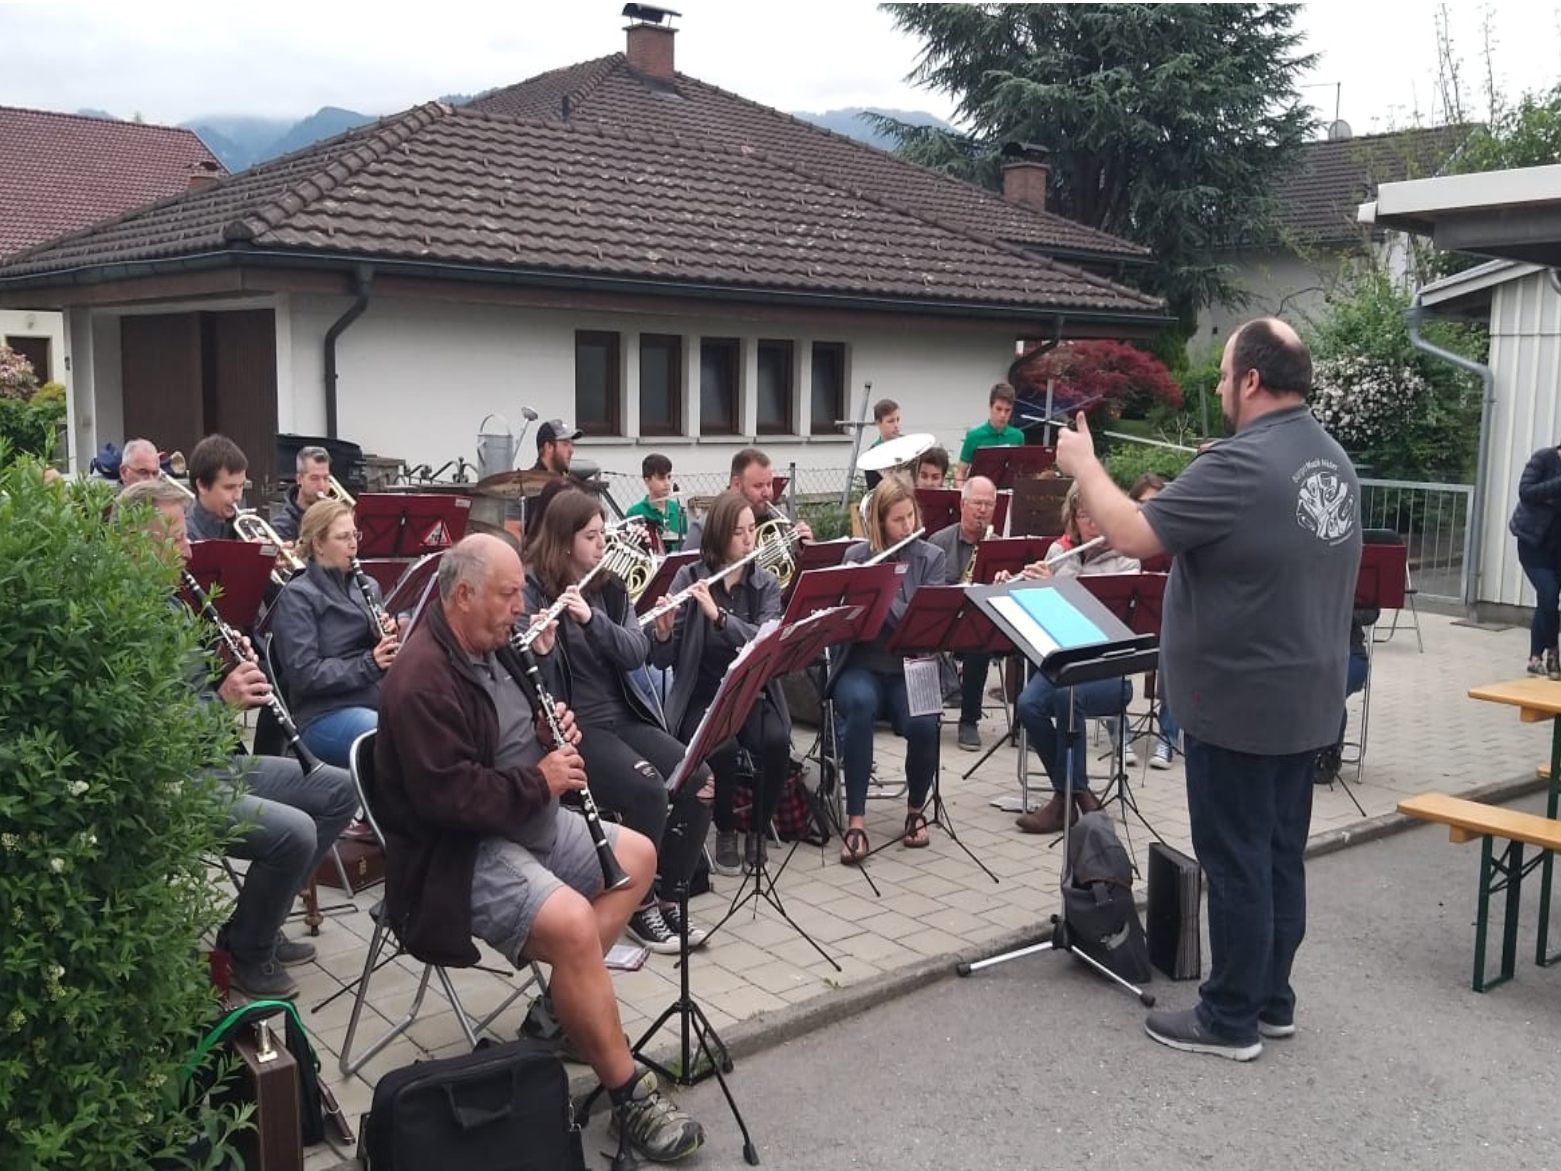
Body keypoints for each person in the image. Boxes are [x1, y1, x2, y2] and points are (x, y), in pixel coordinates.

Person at [1055, 316, 1361, 1062]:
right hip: (1306, 700)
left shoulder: (1240, 464)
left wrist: (1084, 467)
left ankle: (1228, 1017)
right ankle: (1271, 999)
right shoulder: (1331, 460)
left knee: (1234, 861)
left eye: (1224, 375)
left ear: (1252, 380)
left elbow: (1131, 533)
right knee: (1278, 854)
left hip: (1238, 703)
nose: (1220, 387)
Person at [374, 534, 705, 1163]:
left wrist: (546, 726)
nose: (520, 606)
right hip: (459, 853)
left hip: (524, 814)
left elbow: (509, 729)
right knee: (576, 926)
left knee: (637, 858)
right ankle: (627, 1094)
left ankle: (559, 1012)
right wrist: (542, 778)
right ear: (462, 596)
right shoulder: (420, 680)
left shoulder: (490, 647)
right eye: (508, 594)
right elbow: (451, 800)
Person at [117, 480, 357, 999]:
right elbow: (147, 729)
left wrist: (226, 660)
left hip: (213, 762)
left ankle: (255, 927)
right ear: (135, 543)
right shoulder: (123, 621)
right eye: (175, 538)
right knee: (295, 832)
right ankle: (248, 954)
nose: (187, 550)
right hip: (174, 782)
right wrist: (222, 701)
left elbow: (193, 686)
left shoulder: (172, 603)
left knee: (339, 790)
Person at [524, 489, 712, 954]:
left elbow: (636, 651)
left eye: (603, 534)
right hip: (576, 728)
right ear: (565, 541)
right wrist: (544, 646)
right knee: (649, 790)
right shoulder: (533, 591)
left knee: (700, 779)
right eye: (592, 536)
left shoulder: (609, 587)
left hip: (624, 718)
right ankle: (637, 904)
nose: (602, 544)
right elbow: (532, 680)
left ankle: (671, 894)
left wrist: (592, 620)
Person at [649, 492, 793, 876]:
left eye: (752, 531)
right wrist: (662, 634)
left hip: (750, 690)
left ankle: (757, 831)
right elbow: (664, 661)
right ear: (718, 536)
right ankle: (726, 828)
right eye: (739, 533)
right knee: (723, 749)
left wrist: (720, 618)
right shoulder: (690, 578)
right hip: (703, 693)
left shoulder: (763, 583)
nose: (749, 541)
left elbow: (766, 641)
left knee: (777, 742)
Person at [1008, 483, 1141, 833]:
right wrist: (1021, 587)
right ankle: (1076, 794)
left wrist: (1061, 588)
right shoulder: (1059, 551)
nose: (1093, 525)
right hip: (1063, 662)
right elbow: (1044, 623)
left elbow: (1109, 623)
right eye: (1085, 516)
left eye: (1099, 515)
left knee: (1069, 699)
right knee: (1027, 704)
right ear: (1073, 519)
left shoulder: (1127, 558)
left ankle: (1062, 802)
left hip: (1110, 669)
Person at [832, 477, 946, 864]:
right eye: (897, 520)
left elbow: (918, 621)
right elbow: (840, 621)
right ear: (879, 524)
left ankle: (915, 810)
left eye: (910, 516)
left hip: (911, 667)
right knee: (860, 705)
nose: (907, 527)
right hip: (861, 665)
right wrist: (860, 581)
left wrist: (880, 588)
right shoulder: (856, 556)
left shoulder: (931, 558)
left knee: (925, 722)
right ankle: (857, 821)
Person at [268, 499, 398, 768]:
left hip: (376, 699)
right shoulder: (298, 596)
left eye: (355, 535)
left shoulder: (369, 586)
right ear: (318, 545)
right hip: (323, 714)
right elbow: (305, 674)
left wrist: (382, 637)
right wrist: (370, 663)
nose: (353, 544)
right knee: (390, 740)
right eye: (343, 537)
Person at [927, 475, 998, 751]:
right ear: (962, 504)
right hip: (944, 622)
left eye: (988, 505)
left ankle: (970, 721)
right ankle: (924, 714)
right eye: (977, 503)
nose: (982, 510)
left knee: (979, 645)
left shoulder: (999, 543)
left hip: (982, 625)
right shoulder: (939, 541)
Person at [1130, 473, 1179, 770]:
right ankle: (1120, 735)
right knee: (1105, 660)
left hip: (1167, 623)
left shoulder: (1175, 539)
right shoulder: (1127, 537)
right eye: (1146, 504)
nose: (1153, 511)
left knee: (1178, 660)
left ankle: (1168, 739)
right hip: (1131, 620)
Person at [686, 447, 814, 550]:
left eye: (769, 484)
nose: (767, 493)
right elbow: (686, 578)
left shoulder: (774, 521)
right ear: (736, 485)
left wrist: (802, 554)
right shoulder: (705, 529)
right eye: (758, 486)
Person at [1509, 441, 1561, 679]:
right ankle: (1553, 652)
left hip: (1558, 549)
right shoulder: (1543, 459)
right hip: (1534, 544)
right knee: (1549, 594)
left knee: (1546, 602)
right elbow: (1526, 492)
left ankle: (1534, 658)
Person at [955, 382, 1025, 487]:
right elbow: (960, 472)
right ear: (990, 407)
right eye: (999, 409)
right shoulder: (974, 436)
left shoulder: (1018, 436)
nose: (1003, 415)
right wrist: (963, 494)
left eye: (1007, 410)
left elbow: (1021, 472)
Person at [185, 433, 248, 540]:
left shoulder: (243, 525)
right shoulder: (187, 534)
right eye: (229, 487)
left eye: (241, 486)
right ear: (202, 486)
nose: (238, 497)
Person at [626, 452, 687, 552]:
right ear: (647, 481)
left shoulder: (678, 510)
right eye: (661, 478)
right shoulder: (635, 512)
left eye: (669, 477)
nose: (667, 483)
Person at [271, 446, 333, 543]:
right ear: (299, 479)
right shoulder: (283, 525)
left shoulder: (333, 516)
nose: (322, 486)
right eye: (314, 478)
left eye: (326, 478)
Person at [863, 398, 902, 491]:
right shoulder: (872, 455)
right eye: (890, 421)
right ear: (878, 423)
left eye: (898, 419)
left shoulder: (911, 445)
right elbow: (874, 490)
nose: (896, 425)